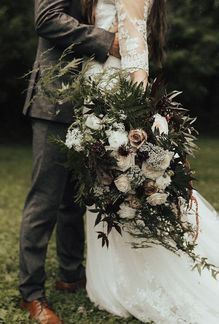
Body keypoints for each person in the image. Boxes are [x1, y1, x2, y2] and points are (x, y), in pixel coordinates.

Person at [84, 0, 219, 323]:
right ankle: (116, 275)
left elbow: (135, 48)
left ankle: (137, 279)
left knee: (120, 185)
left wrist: (134, 111)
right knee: (108, 187)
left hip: (112, 91)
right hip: (99, 88)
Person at [19, 0, 120, 323]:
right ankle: (31, 294)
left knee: (74, 199)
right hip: (55, 97)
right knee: (45, 200)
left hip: (91, 103)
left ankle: (71, 274)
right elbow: (47, 18)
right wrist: (106, 41)